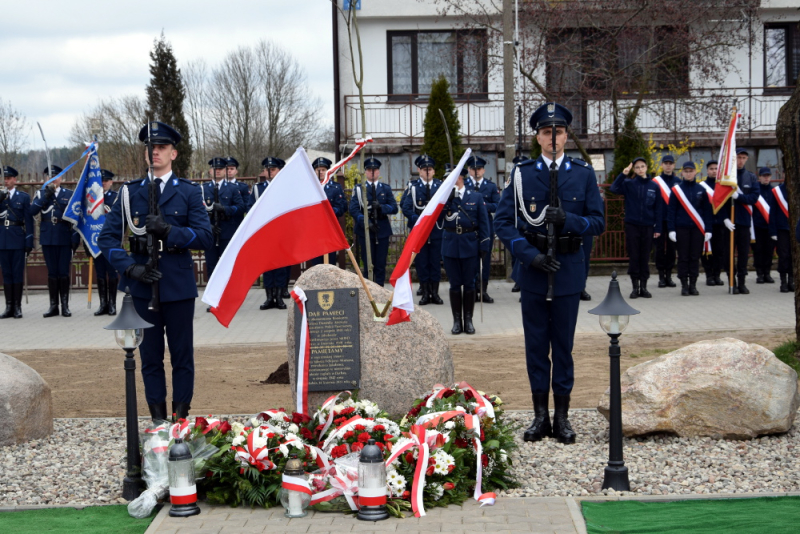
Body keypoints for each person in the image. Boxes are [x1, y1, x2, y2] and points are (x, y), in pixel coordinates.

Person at [494, 102, 605, 444]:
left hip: (569, 271)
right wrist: (529, 256)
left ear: (566, 135)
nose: (552, 138)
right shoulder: (522, 174)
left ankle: (563, 417)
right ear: (538, 137)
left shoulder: (583, 174)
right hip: (535, 272)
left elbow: (598, 222)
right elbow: (503, 222)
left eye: (558, 132)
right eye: (546, 132)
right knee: (536, 346)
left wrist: (569, 221)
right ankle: (540, 416)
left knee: (564, 347)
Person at [98, 120, 212, 421]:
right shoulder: (129, 193)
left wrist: (169, 230)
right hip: (142, 286)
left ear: (173, 153)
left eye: (161, 147)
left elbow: (205, 237)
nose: (155, 152)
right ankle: (159, 424)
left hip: (176, 284)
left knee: (182, 357)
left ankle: (180, 422)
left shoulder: (188, 192)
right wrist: (130, 268)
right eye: (150, 148)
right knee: (149, 358)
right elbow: (106, 238)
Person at [441, 166, 490, 335]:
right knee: (454, 285)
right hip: (450, 246)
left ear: (460, 178)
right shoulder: (444, 197)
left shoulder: (475, 197)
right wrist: (447, 201)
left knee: (469, 284)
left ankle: (468, 320)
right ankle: (456, 321)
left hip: (470, 245)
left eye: (451, 177)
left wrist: (484, 245)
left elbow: (484, 223)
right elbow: (438, 221)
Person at [30, 165, 80, 317]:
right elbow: (32, 212)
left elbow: (76, 217)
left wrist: (74, 238)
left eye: (56, 176)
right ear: (46, 178)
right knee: (52, 273)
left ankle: (65, 305)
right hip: (48, 237)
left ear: (61, 178)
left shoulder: (69, 194)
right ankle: (53, 306)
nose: (53, 179)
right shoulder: (40, 194)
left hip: (64, 235)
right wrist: (46, 196)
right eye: (50, 176)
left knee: (63, 272)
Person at [610, 157, 662, 298]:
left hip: (648, 226)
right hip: (632, 225)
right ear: (634, 169)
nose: (640, 169)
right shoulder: (629, 184)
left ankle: (643, 287)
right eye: (637, 167)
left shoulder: (654, 186)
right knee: (634, 256)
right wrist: (623, 174)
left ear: (646, 168)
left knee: (645, 256)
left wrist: (658, 229)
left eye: (642, 166)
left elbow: (658, 208)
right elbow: (613, 188)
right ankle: (634, 288)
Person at [402, 154, 444, 305]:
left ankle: (435, 293)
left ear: (434, 171)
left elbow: (446, 207)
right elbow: (406, 207)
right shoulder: (413, 187)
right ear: (419, 171)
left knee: (434, 262)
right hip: (420, 231)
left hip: (436, 230)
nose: (427, 172)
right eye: (424, 169)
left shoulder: (440, 186)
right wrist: (417, 220)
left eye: (430, 169)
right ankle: (425, 294)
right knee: (422, 263)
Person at [349, 157, 398, 286]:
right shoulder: (359, 189)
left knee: (380, 264)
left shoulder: (385, 189)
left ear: (378, 172)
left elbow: (394, 208)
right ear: (365, 172)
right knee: (367, 264)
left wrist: (382, 207)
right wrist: (365, 222)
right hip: (365, 230)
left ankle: (380, 290)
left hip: (382, 229)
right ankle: (369, 291)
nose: (372, 172)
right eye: (369, 170)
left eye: (375, 170)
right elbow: (353, 209)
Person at [667, 162, 713, 296]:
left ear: (695, 173)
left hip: (697, 229)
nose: (688, 173)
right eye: (686, 171)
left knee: (694, 257)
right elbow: (671, 211)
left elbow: (707, 211)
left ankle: (693, 284)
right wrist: (671, 229)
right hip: (681, 228)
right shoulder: (676, 190)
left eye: (691, 171)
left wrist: (708, 229)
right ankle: (684, 285)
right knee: (683, 257)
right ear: (682, 173)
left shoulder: (701, 189)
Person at [252, 157, 290, 310]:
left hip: (282, 232)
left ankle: (279, 297)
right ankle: (269, 298)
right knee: (267, 266)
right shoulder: (257, 188)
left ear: (278, 171)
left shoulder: (286, 187)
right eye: (267, 169)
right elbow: (250, 208)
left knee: (280, 266)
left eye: (273, 169)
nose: (269, 172)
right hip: (265, 232)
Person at [720, 148, 759, 294]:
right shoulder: (727, 178)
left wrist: (739, 197)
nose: (741, 160)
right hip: (729, 223)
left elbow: (754, 198)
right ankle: (732, 282)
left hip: (744, 222)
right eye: (738, 158)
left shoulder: (751, 177)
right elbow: (720, 201)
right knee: (728, 254)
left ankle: (742, 282)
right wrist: (724, 218)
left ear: (747, 159)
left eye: (743, 158)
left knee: (743, 254)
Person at [0, 166, 33, 319]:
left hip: (17, 238)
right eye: (4, 178)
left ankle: (18, 307)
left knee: (17, 273)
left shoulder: (23, 197)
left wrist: (29, 241)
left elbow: (28, 220)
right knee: (6, 274)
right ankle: (8, 306)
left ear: (15, 180)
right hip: (3, 240)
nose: (6, 181)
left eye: (8, 178)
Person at [203, 157, 244, 280]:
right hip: (210, 233)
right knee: (211, 265)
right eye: (215, 169)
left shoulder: (232, 188)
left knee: (228, 266)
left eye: (220, 169)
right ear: (210, 171)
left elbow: (241, 207)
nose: (217, 171)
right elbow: (197, 211)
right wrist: (207, 225)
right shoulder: (203, 189)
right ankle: (212, 297)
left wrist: (225, 209)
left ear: (225, 171)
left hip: (227, 232)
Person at [468, 156, 500, 303]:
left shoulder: (491, 186)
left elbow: (498, 205)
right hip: (469, 227)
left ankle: (484, 290)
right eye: (473, 169)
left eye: (479, 169)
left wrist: (482, 205)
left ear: (484, 170)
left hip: (486, 226)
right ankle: (472, 290)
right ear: (469, 170)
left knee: (485, 260)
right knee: (471, 260)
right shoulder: (465, 185)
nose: (476, 172)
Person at [92, 169, 120, 316]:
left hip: (111, 240)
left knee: (112, 272)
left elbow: (119, 220)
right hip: (96, 241)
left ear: (111, 182)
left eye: (106, 181)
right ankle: (103, 304)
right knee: (100, 273)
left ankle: (112, 304)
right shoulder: (93, 198)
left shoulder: (115, 198)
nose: (103, 183)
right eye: (101, 181)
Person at [310, 157, 347, 266]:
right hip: (314, 230)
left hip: (330, 229)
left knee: (330, 262)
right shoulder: (310, 187)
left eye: (323, 169)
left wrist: (331, 211)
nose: (320, 172)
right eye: (318, 170)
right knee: (316, 263)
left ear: (328, 171)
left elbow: (342, 207)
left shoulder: (335, 187)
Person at [653, 155, 680, 288]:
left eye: (670, 163)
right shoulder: (655, 182)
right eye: (666, 163)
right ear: (662, 165)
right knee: (659, 249)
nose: (668, 166)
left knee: (671, 249)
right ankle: (661, 277)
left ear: (674, 165)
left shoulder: (678, 181)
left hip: (673, 221)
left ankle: (669, 275)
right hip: (659, 220)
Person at [699, 161, 726, 286]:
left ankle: (717, 275)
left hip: (720, 223)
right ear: (707, 171)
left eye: (716, 168)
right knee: (706, 251)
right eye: (711, 169)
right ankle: (709, 275)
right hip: (706, 223)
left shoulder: (723, 186)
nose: (714, 171)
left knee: (719, 251)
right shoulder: (702, 187)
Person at [768, 178, 792, 292]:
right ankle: (783, 281)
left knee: (794, 256)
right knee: (784, 255)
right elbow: (772, 212)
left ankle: (792, 280)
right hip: (782, 228)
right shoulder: (777, 191)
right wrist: (773, 231)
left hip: (795, 228)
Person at [752, 167, 775, 284]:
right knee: (758, 250)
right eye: (764, 176)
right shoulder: (756, 191)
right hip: (757, 226)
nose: (766, 178)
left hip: (770, 226)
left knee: (769, 250)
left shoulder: (774, 192)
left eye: (768, 176)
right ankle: (759, 273)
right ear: (759, 177)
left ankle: (767, 273)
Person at [225, 156, 251, 222]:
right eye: (227, 169)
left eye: (232, 169)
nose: (229, 171)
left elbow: (246, 205)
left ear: (236, 171)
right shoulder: (218, 186)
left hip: (237, 221)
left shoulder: (243, 187)